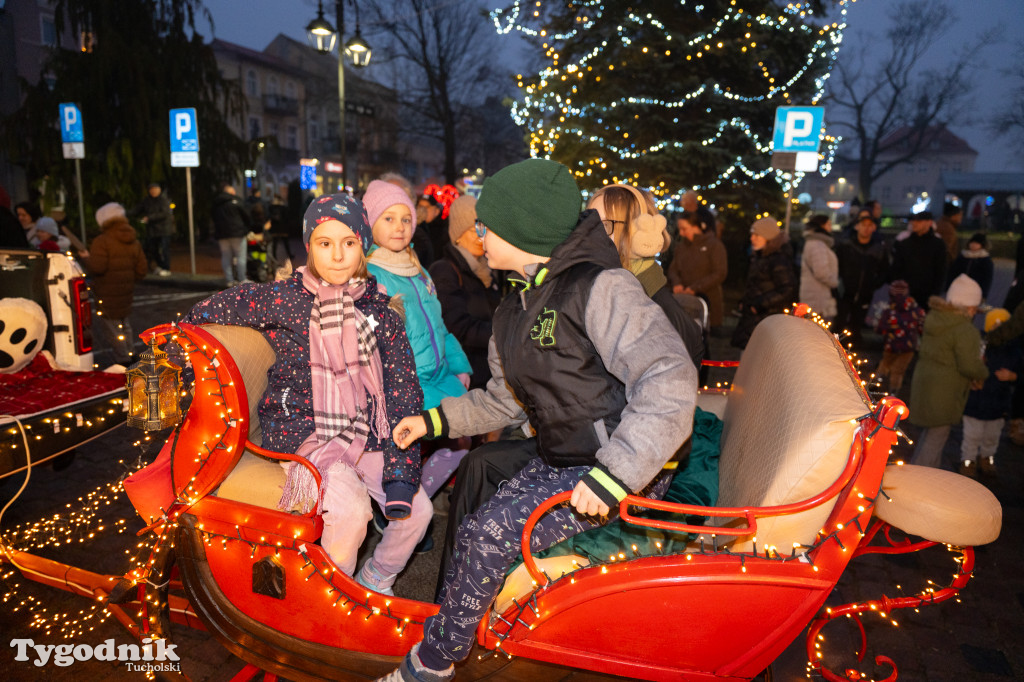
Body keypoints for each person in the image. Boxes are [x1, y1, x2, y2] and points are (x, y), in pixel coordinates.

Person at [381, 158, 697, 682]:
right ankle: (468, 625)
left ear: (522, 229)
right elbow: (504, 399)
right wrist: (432, 421)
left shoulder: (602, 288)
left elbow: (668, 377)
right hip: (568, 458)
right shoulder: (516, 305)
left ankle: (431, 664)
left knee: (486, 534)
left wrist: (615, 474)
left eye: (486, 224)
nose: (478, 234)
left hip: (621, 468)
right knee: (480, 517)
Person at [180, 194, 432, 595]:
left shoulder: (381, 314)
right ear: (309, 246)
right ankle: (331, 595)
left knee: (420, 511)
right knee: (350, 510)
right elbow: (219, 306)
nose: (337, 256)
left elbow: (402, 393)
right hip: (303, 430)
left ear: (363, 246)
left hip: (366, 431)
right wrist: (177, 343)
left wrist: (400, 476)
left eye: (348, 243)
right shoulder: (286, 297)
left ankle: (375, 578)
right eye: (324, 243)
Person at [908, 274, 989, 469]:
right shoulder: (965, 330)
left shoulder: (934, 319)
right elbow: (969, 364)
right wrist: (983, 372)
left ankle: (925, 477)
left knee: (930, 437)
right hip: (945, 390)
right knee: (935, 440)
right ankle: (915, 483)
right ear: (970, 307)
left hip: (925, 384)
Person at [428, 194, 502, 392]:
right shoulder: (445, 271)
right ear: (458, 235)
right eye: (474, 230)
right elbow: (456, 327)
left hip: (491, 375)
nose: (481, 237)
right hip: (466, 378)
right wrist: (501, 332)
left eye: (483, 229)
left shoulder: (487, 269)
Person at [76, 203, 148, 365]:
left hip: (106, 292)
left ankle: (123, 360)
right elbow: (142, 270)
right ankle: (131, 353)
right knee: (125, 325)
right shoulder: (133, 240)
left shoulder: (102, 241)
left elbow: (97, 267)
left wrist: (86, 257)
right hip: (126, 291)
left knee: (112, 328)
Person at [959, 308, 1020, 478]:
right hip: (976, 401)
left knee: (992, 436)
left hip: (999, 403)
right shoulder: (980, 345)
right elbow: (967, 365)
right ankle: (968, 461)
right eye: (995, 325)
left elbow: (1020, 372)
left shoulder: (1014, 349)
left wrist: (1012, 376)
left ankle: (987, 458)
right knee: (972, 435)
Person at [731, 216, 797, 350]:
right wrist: (745, 301)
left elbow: (787, 288)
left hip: (767, 318)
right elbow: (756, 285)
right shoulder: (759, 257)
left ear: (768, 237)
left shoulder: (779, 260)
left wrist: (760, 304)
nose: (752, 238)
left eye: (757, 235)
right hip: (754, 317)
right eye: (752, 234)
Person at [667, 209, 728, 331]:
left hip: (707, 301)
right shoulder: (681, 247)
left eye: (684, 229)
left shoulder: (714, 245)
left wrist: (695, 288)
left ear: (697, 227)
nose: (682, 233)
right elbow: (673, 269)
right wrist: (677, 283)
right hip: (683, 302)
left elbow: (719, 273)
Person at [835, 211, 889, 346]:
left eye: (869, 225)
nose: (866, 228)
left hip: (865, 293)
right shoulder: (846, 246)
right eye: (863, 225)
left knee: (857, 324)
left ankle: (854, 353)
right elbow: (836, 266)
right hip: (844, 292)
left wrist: (874, 285)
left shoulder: (878, 249)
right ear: (856, 226)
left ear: (874, 228)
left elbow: (885, 271)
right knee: (839, 323)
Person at [873, 280, 925, 394]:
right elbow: (922, 327)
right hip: (908, 347)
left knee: (885, 364)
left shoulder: (889, 311)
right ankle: (893, 391)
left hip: (891, 345)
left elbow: (880, 328)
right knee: (898, 371)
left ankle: (876, 384)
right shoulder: (917, 311)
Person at [890, 210, 947, 311]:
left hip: (928, 295)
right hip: (905, 294)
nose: (914, 223)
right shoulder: (904, 244)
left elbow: (941, 270)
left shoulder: (938, 244)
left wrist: (935, 292)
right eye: (913, 221)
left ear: (929, 223)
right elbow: (896, 269)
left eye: (919, 221)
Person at [798, 214, 839, 323]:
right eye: (828, 224)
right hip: (818, 300)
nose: (831, 227)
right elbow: (821, 272)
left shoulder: (815, 243)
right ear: (822, 225)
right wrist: (835, 282)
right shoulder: (817, 245)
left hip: (815, 296)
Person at [129, 182, 175, 276]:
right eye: (151, 189)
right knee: (153, 249)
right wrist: (123, 212)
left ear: (159, 190)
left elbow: (165, 213)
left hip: (164, 229)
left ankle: (166, 268)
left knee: (164, 249)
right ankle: (160, 265)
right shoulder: (147, 201)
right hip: (152, 230)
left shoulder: (163, 200)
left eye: (155, 189)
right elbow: (137, 210)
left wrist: (149, 217)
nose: (153, 191)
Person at [211, 182, 253, 285]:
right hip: (237, 233)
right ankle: (242, 278)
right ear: (231, 191)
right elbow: (246, 216)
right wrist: (246, 229)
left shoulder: (216, 204)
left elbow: (213, 217)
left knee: (226, 256)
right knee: (240, 256)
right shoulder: (236, 201)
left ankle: (229, 280)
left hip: (222, 234)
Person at [947, 232, 994, 300]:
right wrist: (948, 287)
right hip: (958, 289)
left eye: (976, 243)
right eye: (972, 243)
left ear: (982, 245)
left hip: (975, 291)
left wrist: (984, 295)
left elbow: (987, 279)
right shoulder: (962, 257)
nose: (973, 245)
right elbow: (953, 273)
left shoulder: (985, 260)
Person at [415, 193, 445, 267]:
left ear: (436, 211)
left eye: (426, 207)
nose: (422, 210)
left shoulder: (443, 232)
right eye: (420, 206)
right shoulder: (414, 228)